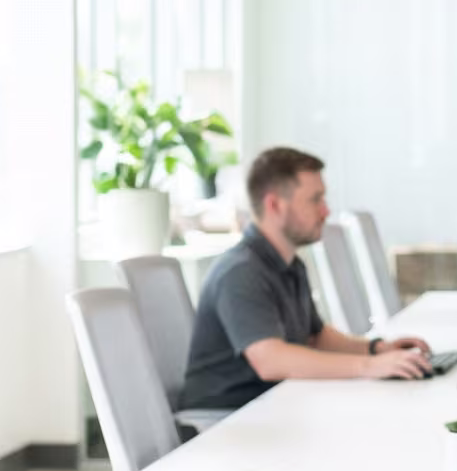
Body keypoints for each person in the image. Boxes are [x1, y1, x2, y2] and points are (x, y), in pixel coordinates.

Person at [179, 146, 432, 411]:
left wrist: (377, 349)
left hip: (272, 406)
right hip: (226, 422)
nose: (325, 212)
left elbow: (316, 336)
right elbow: (270, 361)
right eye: (315, 200)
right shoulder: (240, 272)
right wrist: (368, 367)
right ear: (274, 205)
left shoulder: (290, 264)